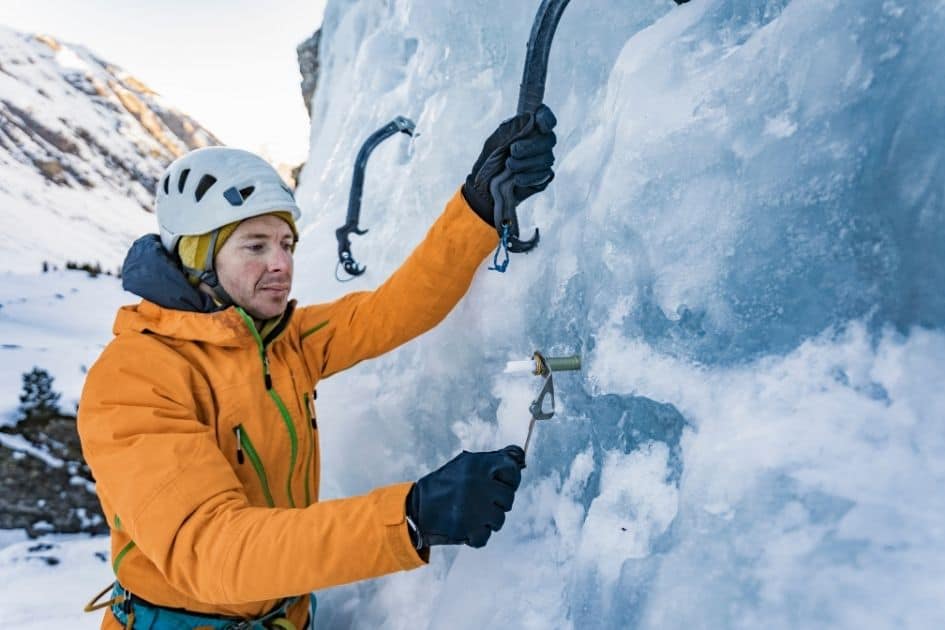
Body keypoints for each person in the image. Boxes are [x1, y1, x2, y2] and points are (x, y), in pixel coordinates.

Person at [77, 105, 558, 629]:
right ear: (198, 259)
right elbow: (212, 551)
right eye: (255, 246)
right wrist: (411, 517)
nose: (280, 264)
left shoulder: (282, 340)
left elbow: (392, 311)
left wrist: (478, 208)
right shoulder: (133, 379)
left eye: (286, 244)